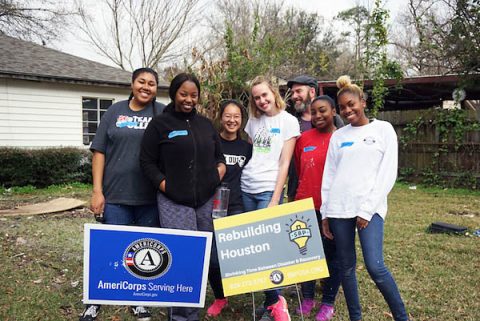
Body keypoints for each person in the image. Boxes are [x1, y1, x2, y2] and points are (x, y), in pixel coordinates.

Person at [320, 75, 409, 321]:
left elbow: (387, 173)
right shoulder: (338, 136)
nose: (348, 110)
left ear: (363, 101)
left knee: (375, 266)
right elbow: (329, 176)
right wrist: (325, 213)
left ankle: (402, 317)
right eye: (343, 107)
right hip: (338, 209)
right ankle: (355, 318)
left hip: (369, 210)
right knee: (346, 268)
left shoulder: (383, 130)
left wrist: (367, 209)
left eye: (352, 104)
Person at [140, 72, 226, 321]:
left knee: (199, 259)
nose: (189, 99)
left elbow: (219, 158)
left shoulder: (206, 124)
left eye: (194, 95)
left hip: (205, 202)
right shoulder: (160, 125)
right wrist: (165, 185)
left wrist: (217, 175)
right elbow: (146, 161)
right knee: (180, 258)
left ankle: (193, 313)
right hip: (174, 202)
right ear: (174, 94)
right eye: (183, 94)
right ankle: (178, 316)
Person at [80, 67, 164, 321]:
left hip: (151, 197)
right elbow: (99, 152)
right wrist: (97, 191)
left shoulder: (161, 112)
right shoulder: (114, 112)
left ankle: (138, 300)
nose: (146, 87)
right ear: (132, 84)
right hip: (116, 194)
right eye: (141, 82)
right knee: (110, 248)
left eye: (151, 83)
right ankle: (96, 298)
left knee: (143, 250)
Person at [241, 76, 300, 321]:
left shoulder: (289, 121)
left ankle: (277, 301)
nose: (262, 100)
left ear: (273, 93)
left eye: (264, 95)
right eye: (257, 97)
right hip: (247, 187)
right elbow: (252, 154)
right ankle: (268, 302)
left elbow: (284, 162)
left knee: (270, 249)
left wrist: (276, 197)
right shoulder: (253, 121)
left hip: (268, 189)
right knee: (256, 248)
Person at [293, 96, 342, 321]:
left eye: (322, 111)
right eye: (313, 112)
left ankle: (328, 302)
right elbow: (297, 170)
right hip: (304, 204)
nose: (318, 116)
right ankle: (308, 297)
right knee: (306, 255)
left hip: (333, 208)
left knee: (332, 256)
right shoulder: (303, 139)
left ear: (333, 111)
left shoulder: (341, 138)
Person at [206, 99, 252, 318]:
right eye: (228, 116)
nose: (232, 120)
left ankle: (246, 291)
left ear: (241, 120)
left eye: (236, 116)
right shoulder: (211, 143)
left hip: (236, 206)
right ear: (221, 118)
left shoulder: (247, 148)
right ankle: (220, 296)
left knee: (237, 255)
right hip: (211, 206)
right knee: (212, 258)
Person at [286, 75, 344, 202]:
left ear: (312, 91)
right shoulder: (291, 122)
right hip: (299, 192)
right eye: (292, 93)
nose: (294, 96)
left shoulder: (335, 121)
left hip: (331, 194)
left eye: (298, 91)